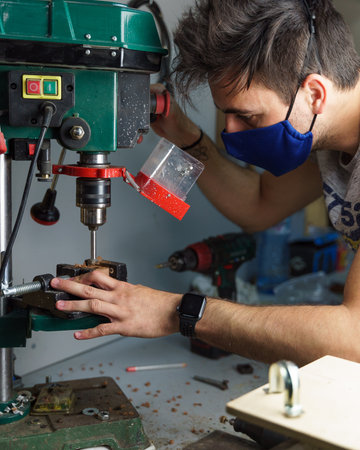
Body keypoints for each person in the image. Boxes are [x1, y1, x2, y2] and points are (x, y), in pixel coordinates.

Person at [51, 0, 360, 367]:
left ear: (315, 94)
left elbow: (354, 337)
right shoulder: (326, 139)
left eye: (246, 116)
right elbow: (259, 205)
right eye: (226, 114)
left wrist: (176, 311)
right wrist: (187, 137)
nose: (230, 132)